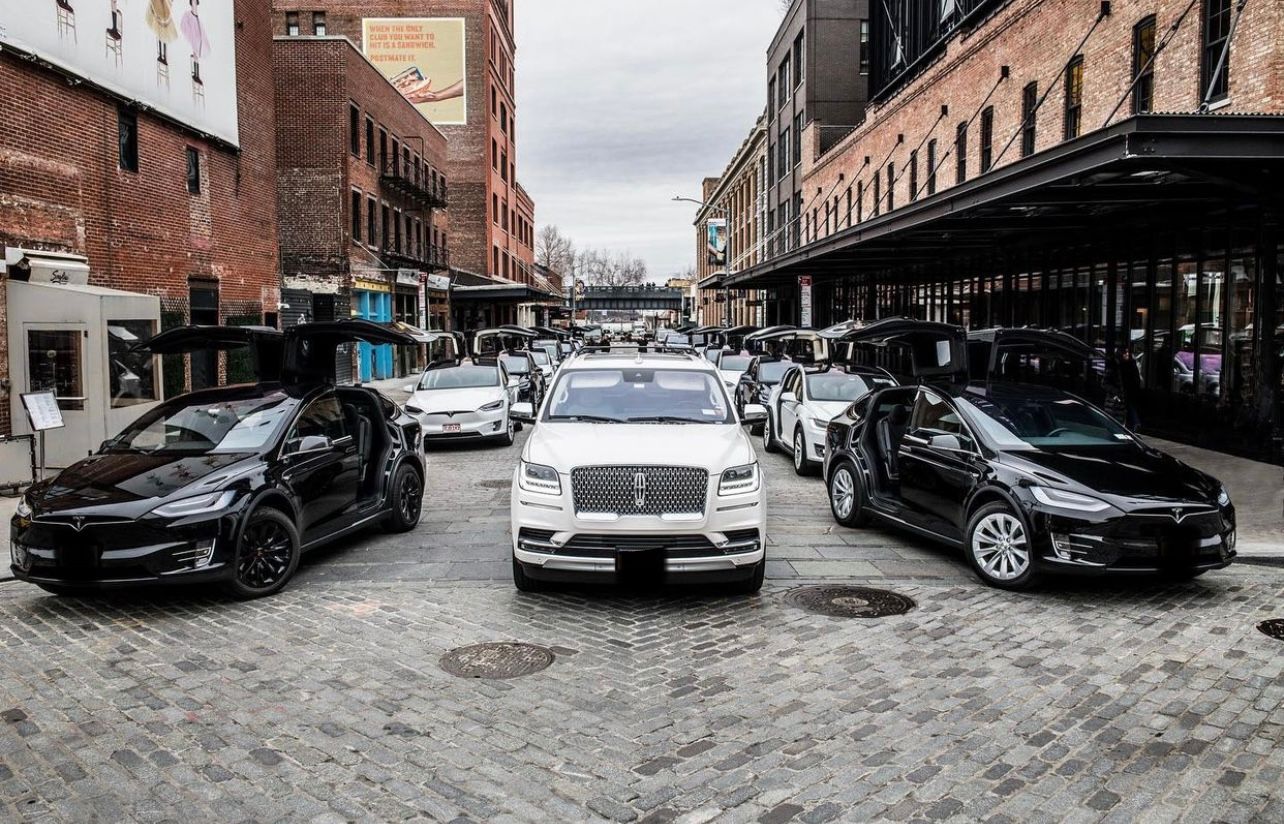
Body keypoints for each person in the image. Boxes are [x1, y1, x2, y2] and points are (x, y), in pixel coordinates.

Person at [1117, 349, 1143, 431]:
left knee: (1129, 406)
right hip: (1122, 391)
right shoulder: (1119, 365)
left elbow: (1136, 379)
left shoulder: (1131, 364)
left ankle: (1134, 423)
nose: (1127, 354)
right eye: (1125, 352)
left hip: (1130, 390)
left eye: (1128, 352)